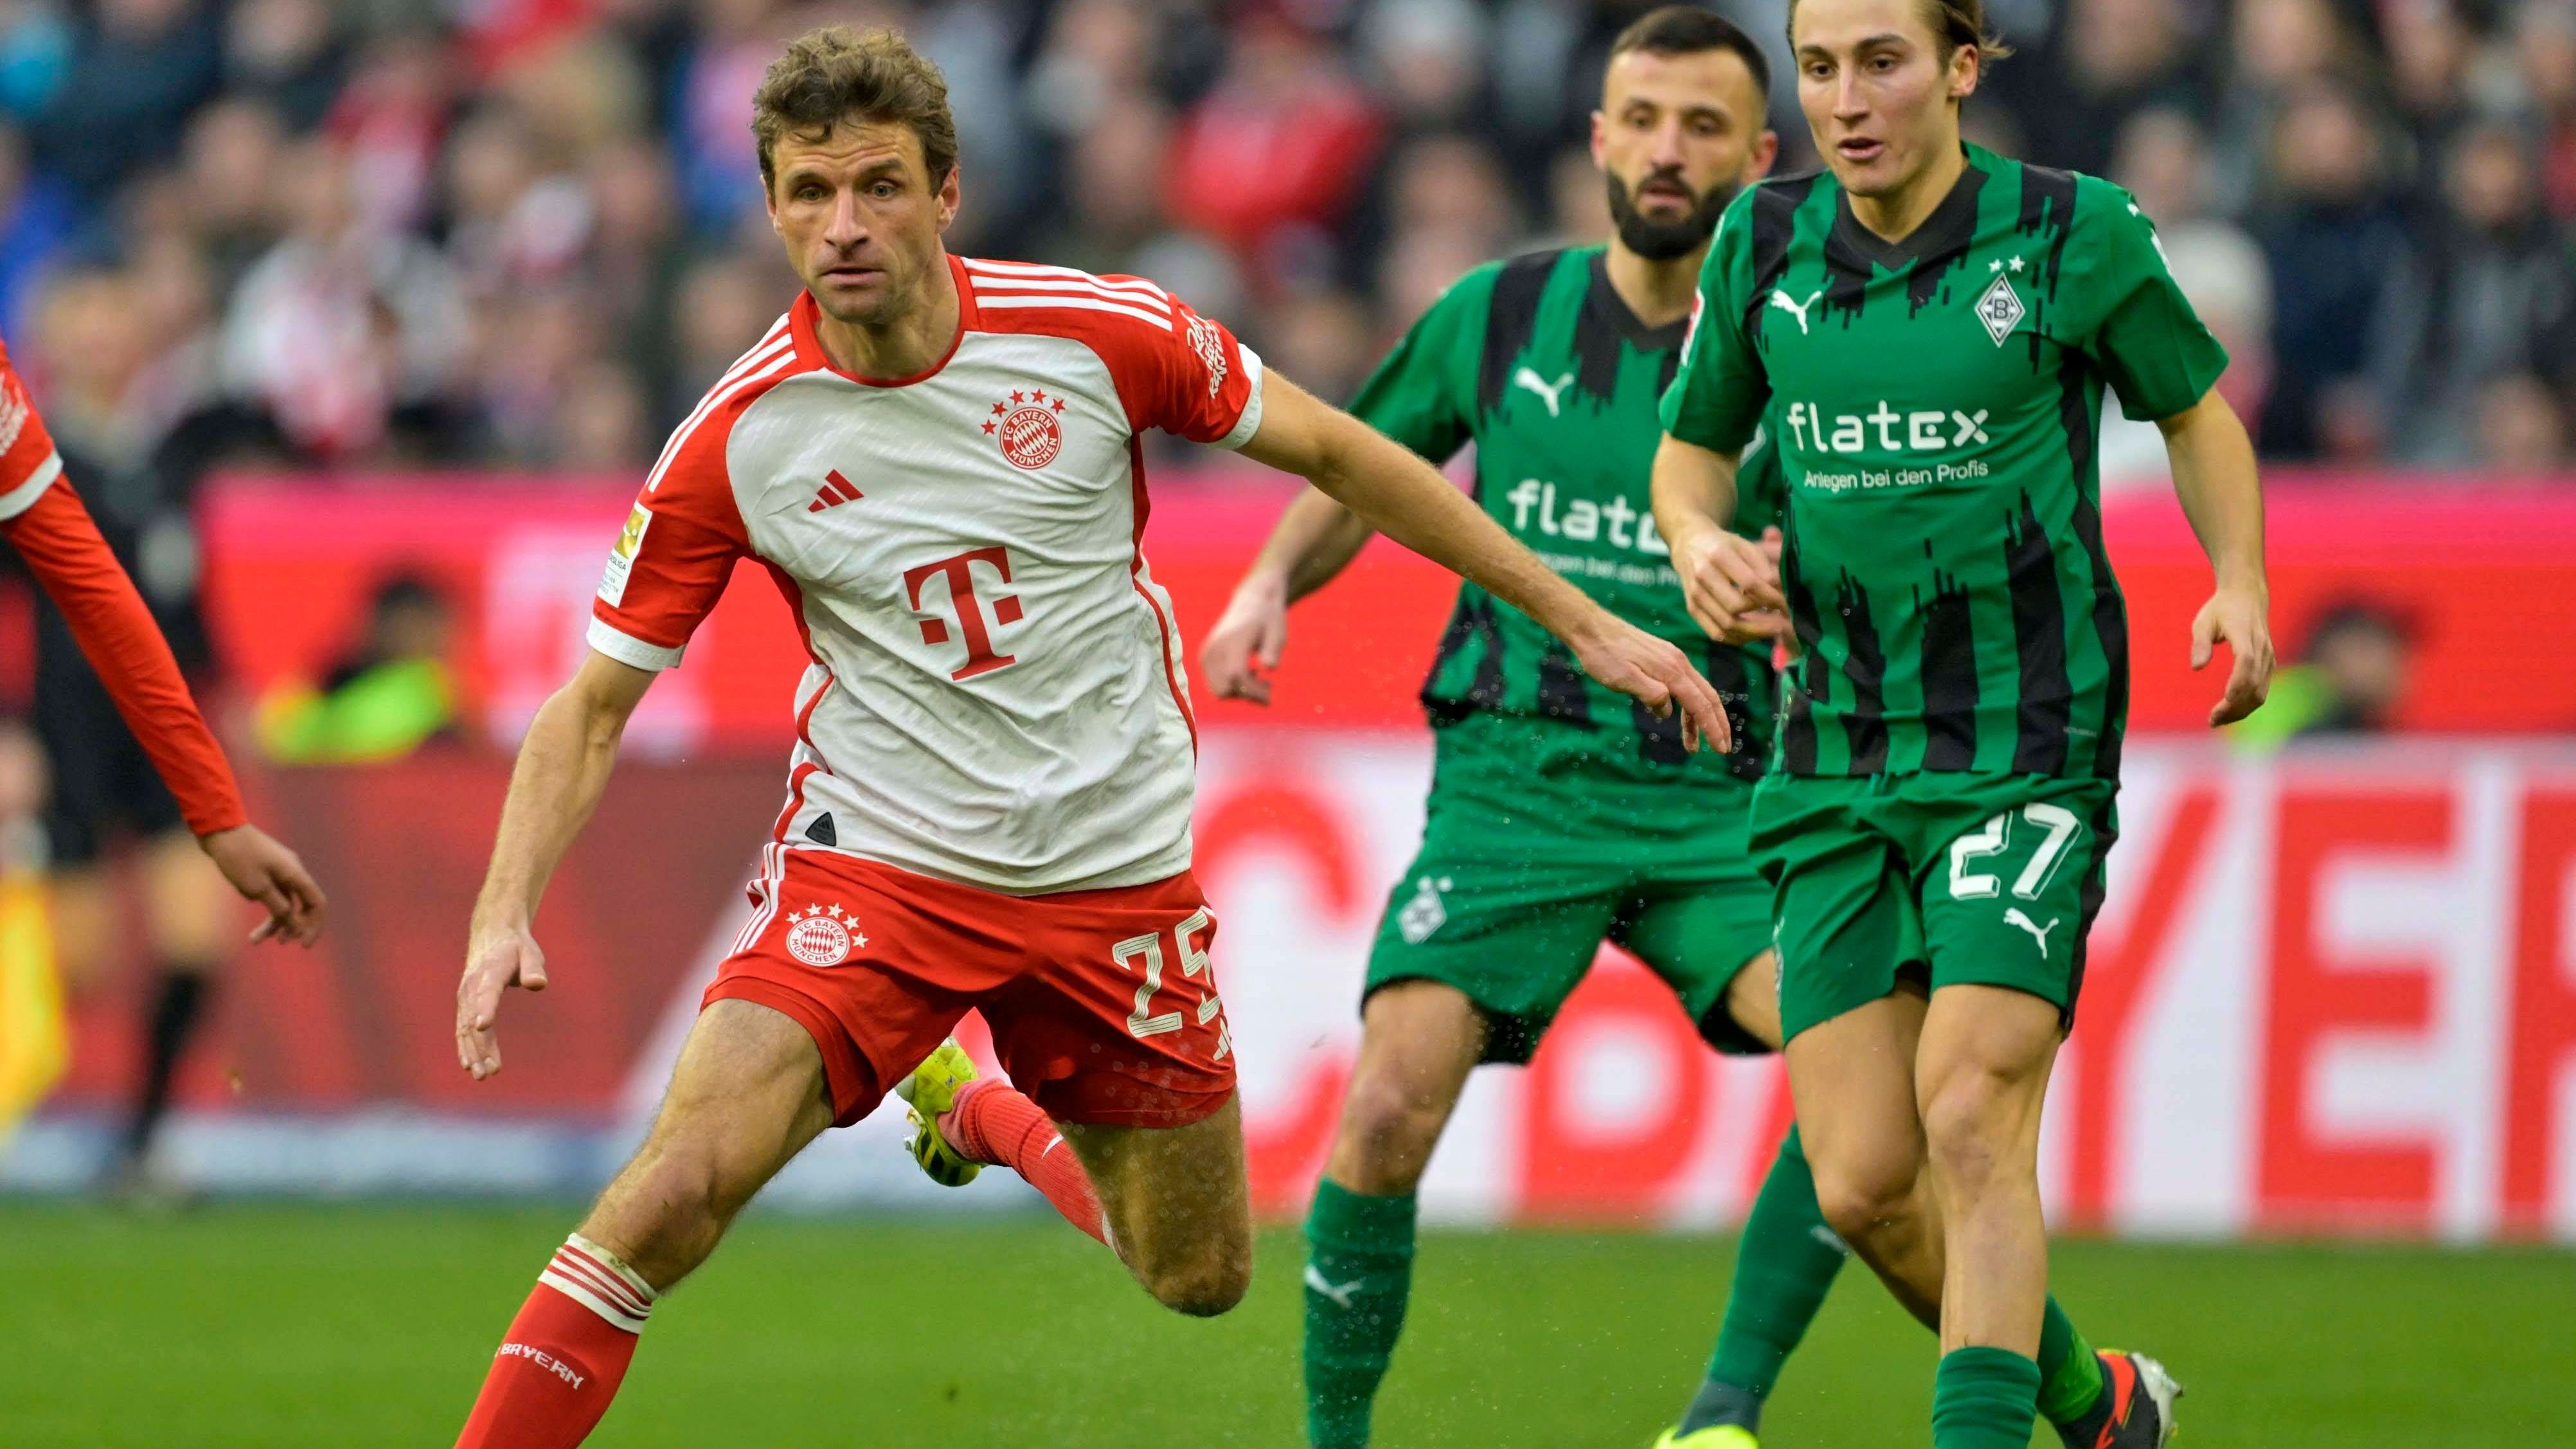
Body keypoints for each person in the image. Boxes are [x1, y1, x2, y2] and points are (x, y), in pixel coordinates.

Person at [445, 26, 1728, 1449]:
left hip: (1109, 875)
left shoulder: (1096, 332)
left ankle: (977, 1110)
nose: (843, 225)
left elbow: (1347, 453)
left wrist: (1587, 625)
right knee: (669, 1196)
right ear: (769, 206)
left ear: (946, 193)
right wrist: (506, 903)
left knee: (1196, 1275)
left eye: (877, 186)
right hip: (879, 869)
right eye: (809, 193)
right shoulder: (738, 435)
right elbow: (593, 701)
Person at [1201, 13, 1843, 1448]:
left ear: (1758, 158)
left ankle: (1727, 1414)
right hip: (1516, 789)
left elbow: (1867, 560)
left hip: (1720, 799)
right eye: (1644, 117)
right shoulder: (1500, 313)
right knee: (1378, 1116)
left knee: (1870, 1089)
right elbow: (1359, 466)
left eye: (1702, 125)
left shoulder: (1808, 350)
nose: (1668, 149)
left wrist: (1798, 583)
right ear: (1600, 138)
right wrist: (1263, 584)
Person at [1652, 0, 2274, 1444]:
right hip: (1834, 757)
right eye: (1820, 67)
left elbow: (2196, 414)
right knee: (1863, 1179)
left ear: (1962, 68)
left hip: (2024, 742)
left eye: (1884, 62)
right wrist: (1697, 545)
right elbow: (1690, 458)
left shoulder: (2075, 232)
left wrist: (2238, 580)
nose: (1848, 99)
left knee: (1973, 1104)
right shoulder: (1762, 245)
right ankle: (2092, 1397)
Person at [0, 338, 326, 1173]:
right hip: (63, 732)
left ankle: (142, 1141)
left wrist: (221, 770)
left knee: (196, 942)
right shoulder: (50, 439)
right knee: (79, 962)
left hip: (148, 736)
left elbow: (142, 601)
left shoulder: (164, 462)